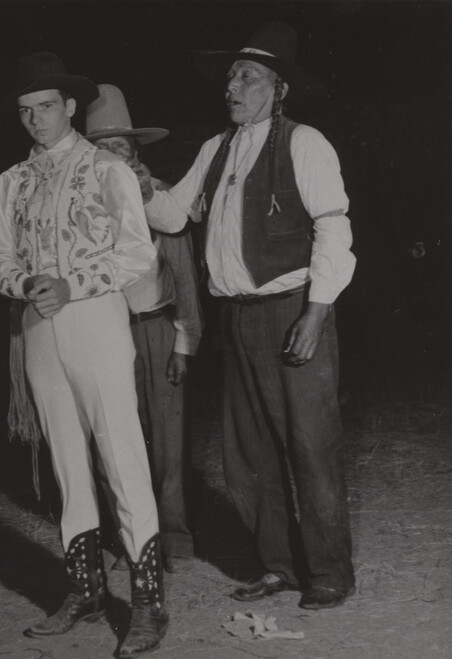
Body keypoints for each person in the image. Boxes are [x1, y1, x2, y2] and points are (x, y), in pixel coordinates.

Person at [135, 22, 357, 610]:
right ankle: (279, 566)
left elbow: (334, 227)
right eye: (231, 76)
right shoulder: (217, 148)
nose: (231, 86)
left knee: (310, 447)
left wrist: (315, 313)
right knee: (249, 453)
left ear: (279, 89)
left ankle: (330, 573)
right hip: (234, 317)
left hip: (291, 311)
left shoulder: (305, 143)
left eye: (247, 77)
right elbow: (174, 215)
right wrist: (142, 185)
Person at [0, 52, 168, 657]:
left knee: (121, 455)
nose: (35, 119)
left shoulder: (106, 168)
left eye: (45, 107)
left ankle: (148, 604)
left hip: (96, 321)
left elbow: (138, 253)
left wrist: (73, 284)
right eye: (24, 110)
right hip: (38, 328)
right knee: (66, 460)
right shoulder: (13, 180)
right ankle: (86, 591)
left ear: (69, 107)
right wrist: (21, 282)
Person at [85, 85, 202, 571]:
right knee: (113, 439)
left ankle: (173, 539)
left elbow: (183, 267)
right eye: (102, 148)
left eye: (120, 147)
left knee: (168, 440)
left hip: (156, 327)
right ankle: (130, 541)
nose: (112, 156)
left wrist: (183, 343)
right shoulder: (84, 204)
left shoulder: (158, 194)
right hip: (106, 332)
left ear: (135, 153)